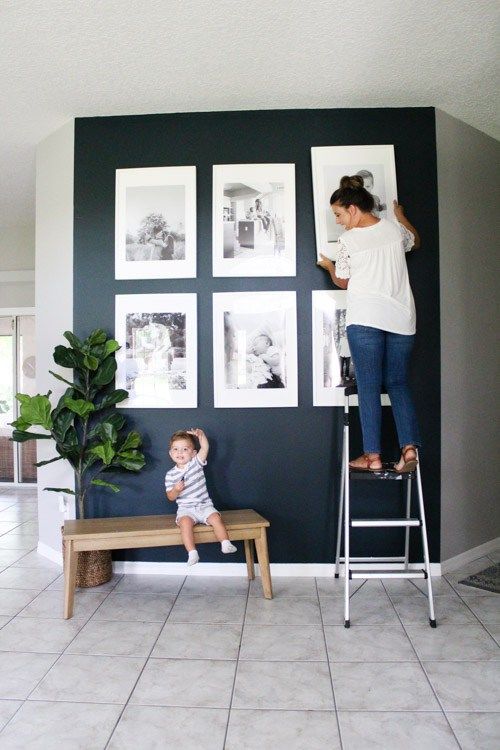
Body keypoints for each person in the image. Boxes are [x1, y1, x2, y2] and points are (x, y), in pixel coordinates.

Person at [317, 174, 421, 473]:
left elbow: (343, 281)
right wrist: (401, 216)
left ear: (352, 209)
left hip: (365, 319)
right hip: (402, 318)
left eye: (338, 214)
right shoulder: (393, 230)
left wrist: (328, 266)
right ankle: (409, 449)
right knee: (399, 383)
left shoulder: (348, 240)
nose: (338, 221)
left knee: (369, 385)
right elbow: (415, 242)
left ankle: (372, 455)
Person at [165, 428, 237, 566]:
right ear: (170, 453)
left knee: (216, 518)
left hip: (204, 505)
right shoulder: (170, 475)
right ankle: (192, 553)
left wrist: (201, 435)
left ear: (193, 453)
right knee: (184, 524)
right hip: (186, 509)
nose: (180, 452)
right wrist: (176, 489)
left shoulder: (196, 464)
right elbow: (170, 497)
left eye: (185, 449)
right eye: (176, 449)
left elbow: (205, 447)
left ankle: (225, 543)